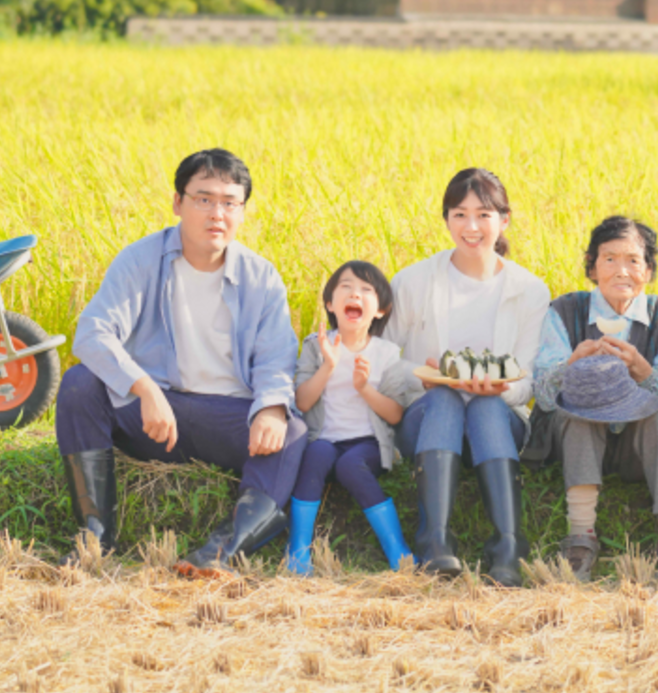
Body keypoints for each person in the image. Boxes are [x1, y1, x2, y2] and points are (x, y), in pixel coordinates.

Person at [54, 148, 306, 576]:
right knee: (80, 383)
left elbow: (276, 357)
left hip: (224, 416)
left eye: (230, 202)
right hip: (153, 417)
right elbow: (92, 332)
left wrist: (271, 408)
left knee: (294, 431)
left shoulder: (261, 277)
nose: (217, 213)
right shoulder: (141, 260)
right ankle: (94, 538)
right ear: (178, 202)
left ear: (242, 211)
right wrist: (145, 388)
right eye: (203, 199)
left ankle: (221, 551)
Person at [383, 168, 551, 587]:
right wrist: (422, 377)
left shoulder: (530, 291)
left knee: (486, 404)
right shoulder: (412, 281)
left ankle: (509, 546)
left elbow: (528, 379)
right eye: (459, 214)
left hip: (495, 425)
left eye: (484, 214)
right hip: (427, 426)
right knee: (443, 398)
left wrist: (502, 387)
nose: (471, 227)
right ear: (446, 220)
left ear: (504, 220)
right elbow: (384, 363)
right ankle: (435, 541)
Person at [526, 216, 658, 581]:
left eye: (633, 260)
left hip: (638, 449)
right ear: (592, 266)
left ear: (648, 270)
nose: (622, 271)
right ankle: (581, 538)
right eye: (610, 259)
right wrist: (573, 364)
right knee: (578, 400)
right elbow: (543, 394)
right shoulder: (565, 312)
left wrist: (642, 370)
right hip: (575, 443)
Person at [285, 261, 413, 575]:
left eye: (366, 290)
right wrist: (328, 366)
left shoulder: (387, 354)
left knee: (349, 464)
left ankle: (397, 548)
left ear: (380, 310)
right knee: (316, 454)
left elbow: (395, 413)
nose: (355, 293)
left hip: (368, 443)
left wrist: (363, 388)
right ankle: (298, 549)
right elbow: (302, 400)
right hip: (325, 438)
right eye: (346, 286)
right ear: (330, 303)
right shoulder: (316, 347)